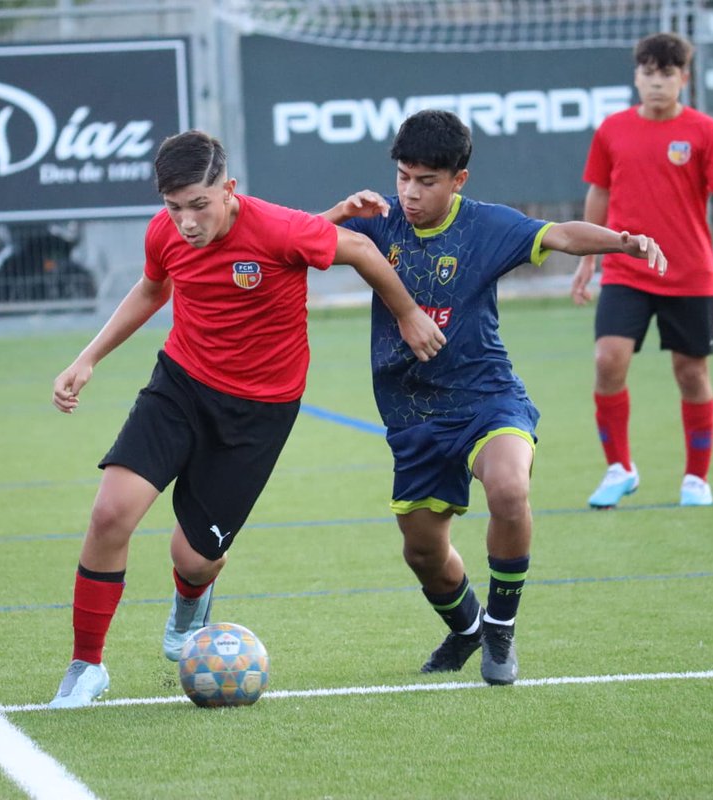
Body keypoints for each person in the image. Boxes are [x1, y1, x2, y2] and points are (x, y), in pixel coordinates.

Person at [46, 129, 445, 709]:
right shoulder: (167, 231)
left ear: (228, 190)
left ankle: (190, 604)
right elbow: (151, 289)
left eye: (199, 205)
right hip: (180, 386)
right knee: (110, 514)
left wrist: (407, 314)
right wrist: (88, 359)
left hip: (260, 411)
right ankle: (87, 666)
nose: (185, 222)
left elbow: (357, 250)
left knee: (193, 557)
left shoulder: (281, 227)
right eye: (173, 207)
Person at [322, 109, 665, 685]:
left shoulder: (485, 225)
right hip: (412, 412)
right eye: (404, 176)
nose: (409, 192)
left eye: (426, 181)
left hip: (487, 394)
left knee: (509, 487)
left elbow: (560, 235)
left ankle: (500, 632)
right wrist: (335, 215)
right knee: (424, 554)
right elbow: (287, 246)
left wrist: (621, 242)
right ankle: (466, 629)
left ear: (459, 179)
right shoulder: (377, 222)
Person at [571, 32, 713, 509]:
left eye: (667, 74)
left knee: (690, 373)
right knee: (608, 360)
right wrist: (589, 258)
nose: (656, 83)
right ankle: (619, 468)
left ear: (683, 79)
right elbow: (599, 195)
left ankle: (696, 479)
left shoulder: (704, 132)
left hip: (690, 274)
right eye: (648, 73)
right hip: (628, 270)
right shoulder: (612, 130)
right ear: (636, 77)